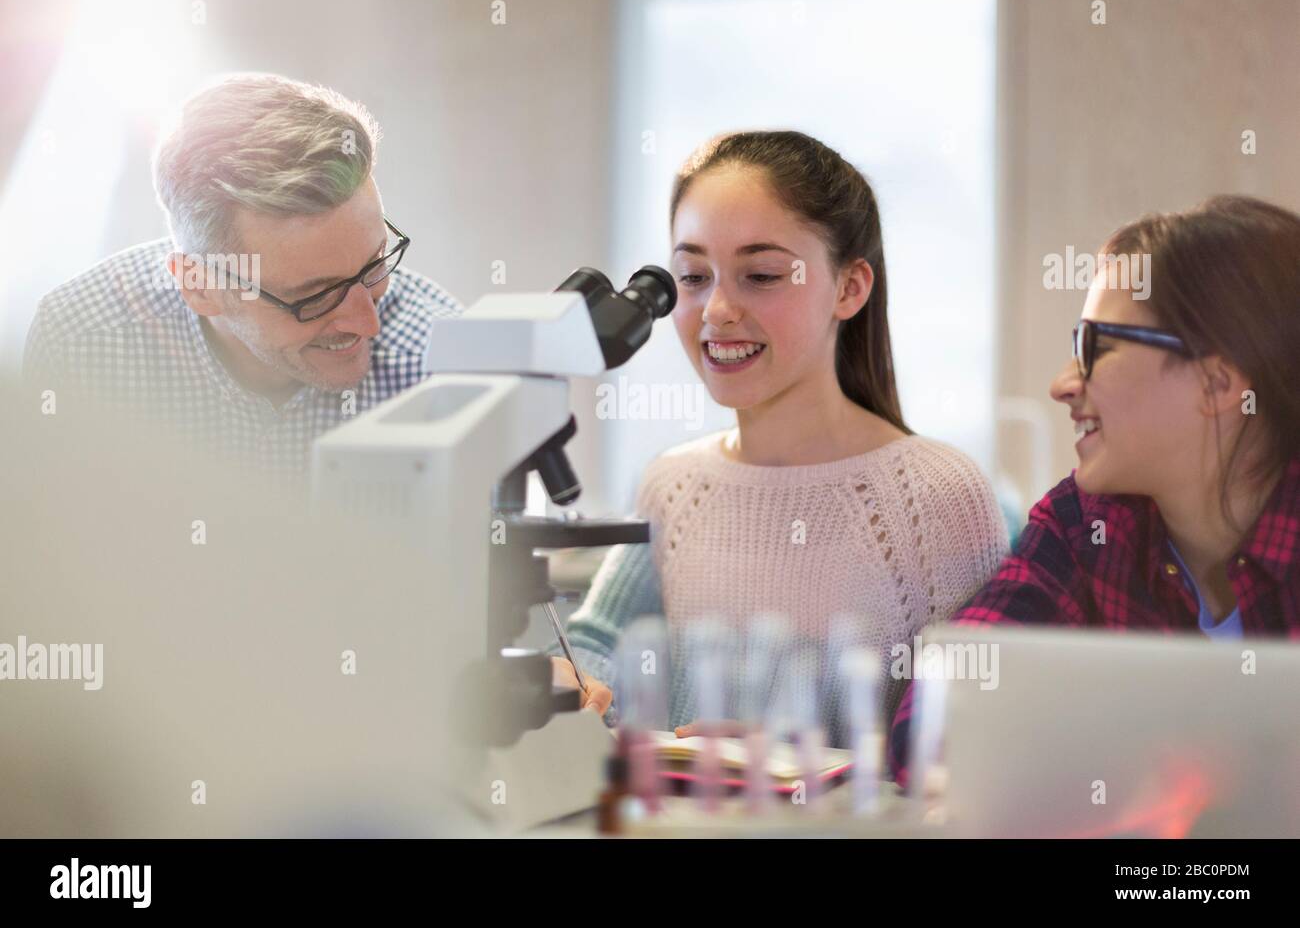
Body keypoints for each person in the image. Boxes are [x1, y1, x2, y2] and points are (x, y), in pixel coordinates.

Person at [551, 130, 1008, 745]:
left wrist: (809, 763)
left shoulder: (941, 498)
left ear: (850, 288)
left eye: (761, 275)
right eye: (691, 276)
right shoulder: (671, 485)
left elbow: (973, 734)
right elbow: (600, 639)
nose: (716, 309)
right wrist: (574, 679)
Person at [887, 194, 1300, 784]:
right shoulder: (1087, 524)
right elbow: (938, 717)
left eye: (1095, 348)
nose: (1062, 385)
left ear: (1216, 382)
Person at [22, 73, 461, 484]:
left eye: (375, 262)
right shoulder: (82, 346)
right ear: (198, 285)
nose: (370, 322)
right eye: (316, 296)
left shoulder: (442, 361)